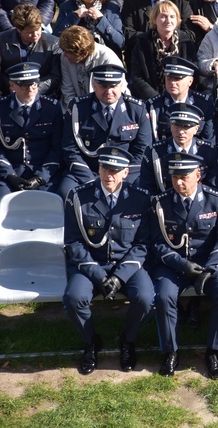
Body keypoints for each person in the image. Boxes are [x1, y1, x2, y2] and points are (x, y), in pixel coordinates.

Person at [63, 146, 154, 374]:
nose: (108, 175)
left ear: (125, 172)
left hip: (126, 266)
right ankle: (91, 341)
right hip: (91, 265)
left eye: (115, 170)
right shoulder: (78, 197)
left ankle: (128, 340)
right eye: (104, 168)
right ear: (98, 168)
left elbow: (142, 244)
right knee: (74, 298)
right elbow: (73, 244)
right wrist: (100, 276)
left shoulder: (140, 199)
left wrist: (119, 276)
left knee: (145, 298)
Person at [148, 153, 218, 379]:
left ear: (198, 174)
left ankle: (214, 351)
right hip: (174, 266)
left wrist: (211, 268)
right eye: (175, 177)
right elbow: (157, 244)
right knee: (165, 296)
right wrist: (182, 265)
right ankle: (171, 352)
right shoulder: (161, 203)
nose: (178, 182)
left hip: (209, 263)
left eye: (184, 176)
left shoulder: (215, 199)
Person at [59, 64, 151, 196]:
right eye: (103, 86)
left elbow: (142, 151)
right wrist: (90, 180)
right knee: (67, 191)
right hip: (89, 170)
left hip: (123, 173)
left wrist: (121, 178)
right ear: (94, 85)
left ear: (121, 86)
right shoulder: (78, 108)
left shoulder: (137, 109)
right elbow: (70, 149)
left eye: (113, 86)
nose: (108, 92)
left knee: (141, 193)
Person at [0, 62, 63, 206]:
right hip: (10, 170)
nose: (30, 89)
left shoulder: (52, 108)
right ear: (12, 85)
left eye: (34, 84)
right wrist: (10, 175)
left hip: (43, 170)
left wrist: (40, 178)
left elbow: (56, 149)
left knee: (47, 204)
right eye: (24, 85)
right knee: (3, 203)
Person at [139, 103, 218, 195]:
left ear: (196, 129)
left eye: (186, 126)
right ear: (170, 126)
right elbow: (147, 188)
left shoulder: (207, 151)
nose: (181, 132)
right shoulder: (154, 152)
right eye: (177, 126)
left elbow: (213, 186)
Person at [121, 0, 193, 62]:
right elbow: (127, 32)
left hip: (174, 57)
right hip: (140, 56)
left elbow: (189, 33)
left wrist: (167, 41)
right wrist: (154, 40)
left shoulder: (183, 1)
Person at [129, 1, 198, 101]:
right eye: (163, 16)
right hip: (150, 99)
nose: (168, 20)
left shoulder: (186, 42)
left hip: (181, 98)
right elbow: (137, 76)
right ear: (154, 19)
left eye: (172, 16)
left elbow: (193, 73)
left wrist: (179, 97)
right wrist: (156, 99)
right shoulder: (142, 42)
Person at [53, 0, 125, 57]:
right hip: (74, 58)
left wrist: (101, 20)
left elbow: (119, 42)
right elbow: (56, 38)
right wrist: (73, 17)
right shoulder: (67, 7)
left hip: (105, 58)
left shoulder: (111, 8)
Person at [146, 56, 215, 144]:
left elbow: (209, 141)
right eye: (169, 78)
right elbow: (151, 142)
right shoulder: (154, 106)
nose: (172, 83)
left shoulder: (204, 104)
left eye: (177, 78)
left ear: (190, 81)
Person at [0, 4, 61, 98]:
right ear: (19, 30)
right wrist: (12, 86)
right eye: (30, 32)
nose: (35, 35)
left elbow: (55, 76)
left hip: (43, 96)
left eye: (38, 29)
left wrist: (32, 90)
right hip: (8, 94)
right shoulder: (2, 41)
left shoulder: (53, 44)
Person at [59, 25, 123, 111]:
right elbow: (68, 90)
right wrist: (75, 111)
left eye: (68, 52)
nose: (64, 54)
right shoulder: (65, 58)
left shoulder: (108, 59)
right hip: (77, 107)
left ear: (83, 53)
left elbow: (115, 93)